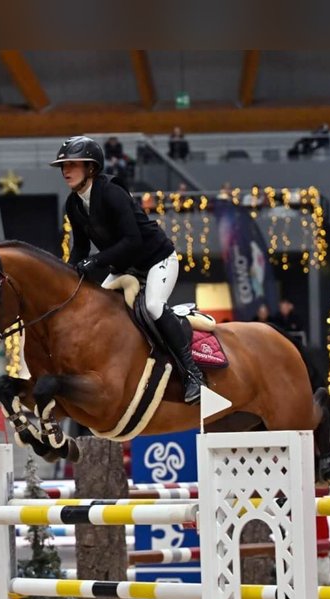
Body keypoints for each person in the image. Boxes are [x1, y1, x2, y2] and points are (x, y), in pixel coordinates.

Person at [51, 135, 204, 403]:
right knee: (95, 312)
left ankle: (193, 374)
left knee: (154, 307)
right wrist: (66, 277)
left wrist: (97, 262)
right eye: (63, 166)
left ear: (91, 168)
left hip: (157, 261)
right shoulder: (73, 204)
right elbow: (80, 249)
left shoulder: (111, 192)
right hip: (125, 268)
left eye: (72, 164)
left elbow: (132, 241)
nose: (66, 171)